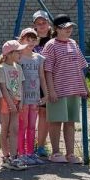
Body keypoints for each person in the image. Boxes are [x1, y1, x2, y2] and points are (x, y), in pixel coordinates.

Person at [42, 15, 90, 164]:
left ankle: (70, 153)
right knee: (56, 121)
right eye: (65, 27)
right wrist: (51, 91)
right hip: (58, 90)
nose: (69, 30)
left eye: (70, 27)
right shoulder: (50, 45)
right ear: (57, 29)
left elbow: (80, 67)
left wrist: (85, 87)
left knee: (70, 122)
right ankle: (55, 153)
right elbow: (47, 70)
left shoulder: (73, 43)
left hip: (74, 90)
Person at [17, 28, 47, 166]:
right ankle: (21, 153)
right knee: (22, 125)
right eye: (27, 39)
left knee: (31, 126)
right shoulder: (18, 57)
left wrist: (45, 94)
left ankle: (30, 153)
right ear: (21, 40)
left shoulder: (39, 58)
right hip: (22, 98)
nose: (30, 42)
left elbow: (42, 76)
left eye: (33, 39)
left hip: (34, 97)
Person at [0, 41, 27, 170]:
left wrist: (21, 102)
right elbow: (3, 88)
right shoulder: (1, 68)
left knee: (14, 130)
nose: (20, 53)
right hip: (5, 103)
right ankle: (6, 157)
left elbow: (21, 86)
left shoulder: (18, 67)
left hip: (16, 102)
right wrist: (10, 103)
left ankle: (14, 157)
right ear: (9, 54)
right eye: (18, 51)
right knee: (5, 130)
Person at [31, 10, 53, 157]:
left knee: (45, 113)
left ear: (48, 24)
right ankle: (27, 144)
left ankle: (41, 145)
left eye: (44, 22)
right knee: (32, 113)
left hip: (48, 81)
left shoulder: (54, 40)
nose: (41, 25)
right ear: (34, 26)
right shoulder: (30, 40)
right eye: (38, 23)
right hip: (33, 82)